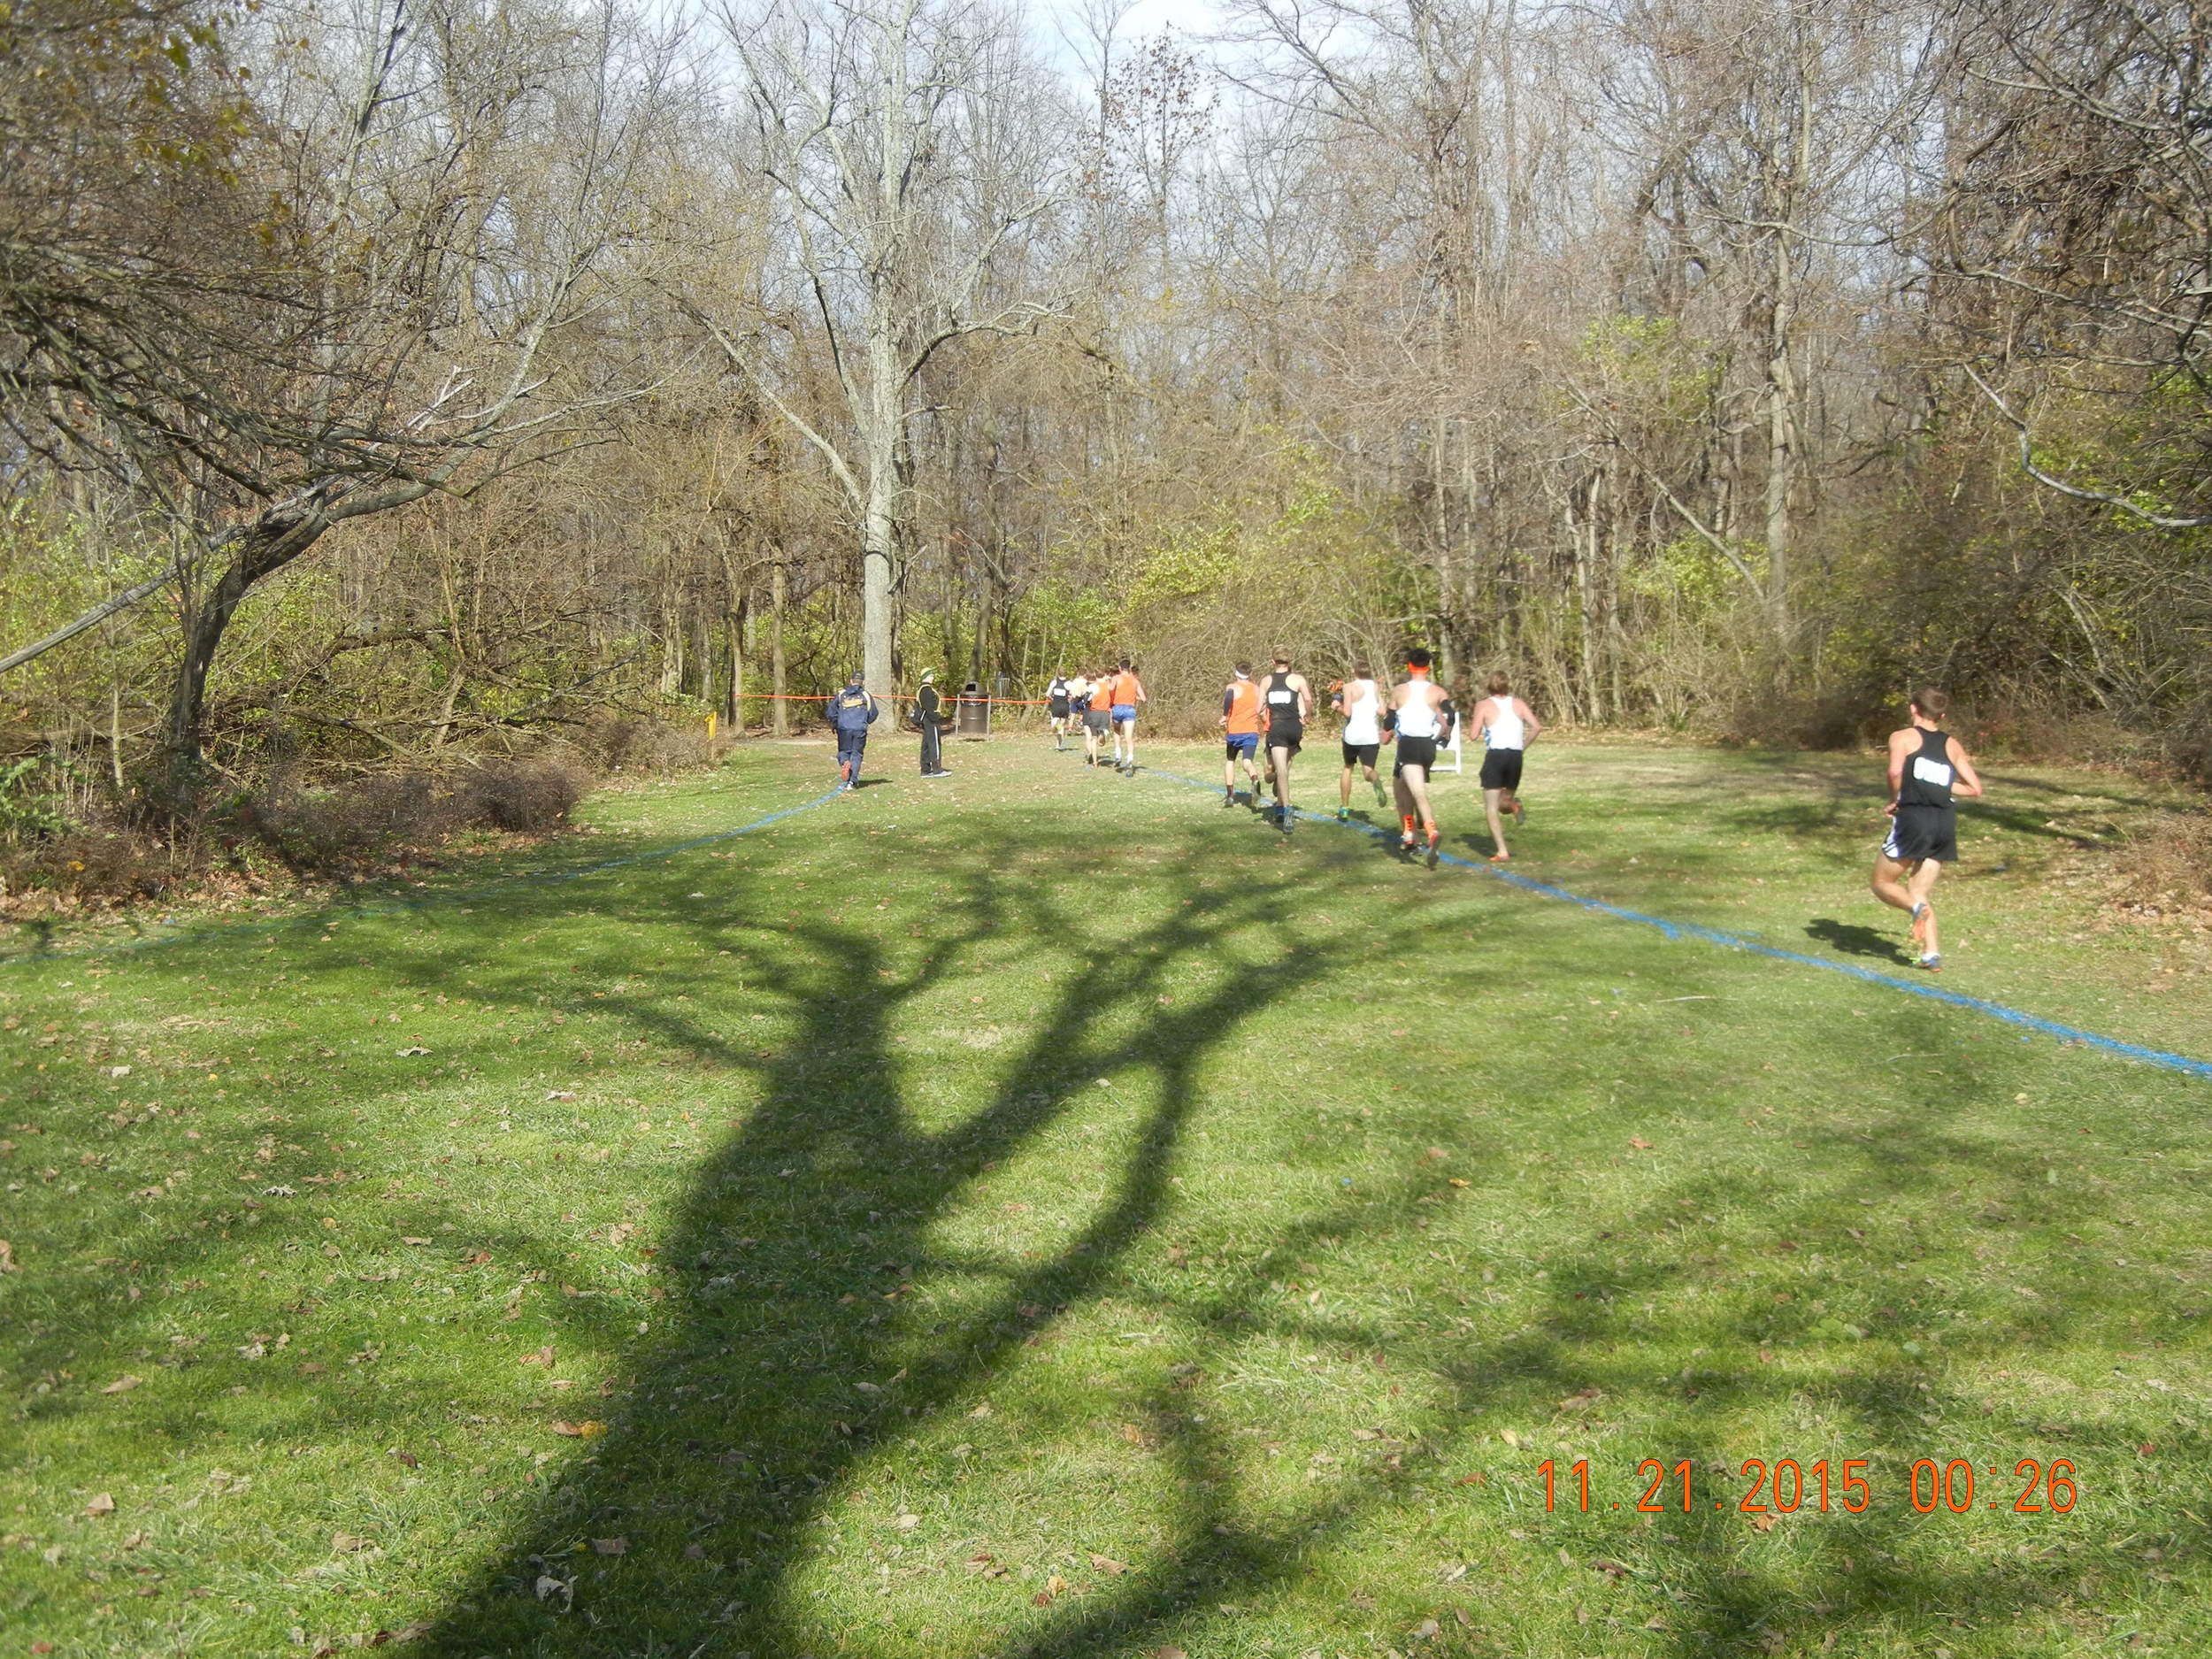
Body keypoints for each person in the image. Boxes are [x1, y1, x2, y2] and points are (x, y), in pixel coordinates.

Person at [1872, 686, 1983, 971]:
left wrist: (1893, 799)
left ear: (1912, 709)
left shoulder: (1902, 737)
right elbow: (1974, 789)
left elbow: (1895, 771)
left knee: (1883, 883)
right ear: (1941, 715)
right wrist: (1938, 782)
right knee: (1919, 890)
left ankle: (1915, 910)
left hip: (1915, 820)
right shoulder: (1953, 745)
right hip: (1945, 824)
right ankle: (1931, 955)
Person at [1386, 648, 1454, 864]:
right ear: (1428, 666)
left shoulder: (1399, 690)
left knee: (1416, 792)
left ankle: (1430, 830)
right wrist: (1446, 734)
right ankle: (1409, 834)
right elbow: (1450, 714)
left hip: (1409, 745)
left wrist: (1385, 735)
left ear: (1409, 665)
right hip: (1427, 746)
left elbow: (1388, 721)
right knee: (1399, 787)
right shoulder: (1438, 691)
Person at [1471, 672, 1541, 862]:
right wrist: (1522, 747)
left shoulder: (1483, 705)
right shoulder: (1518, 704)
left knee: (1492, 807)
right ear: (1507, 686)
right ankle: (1514, 805)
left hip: (1496, 756)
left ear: (1488, 687)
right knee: (1504, 805)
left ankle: (1502, 851)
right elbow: (1536, 727)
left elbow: (1472, 734)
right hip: (1515, 757)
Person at [1259, 650, 1312, 832]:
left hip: (1278, 727)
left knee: (1280, 770)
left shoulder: (1267, 681)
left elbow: (1258, 708)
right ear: (1290, 661)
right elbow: (1308, 699)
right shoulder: (1298, 679)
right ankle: (1280, 807)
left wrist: (1263, 717)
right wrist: (1308, 716)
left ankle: (1287, 810)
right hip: (1295, 728)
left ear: (1272, 661)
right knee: (1285, 769)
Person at [1333, 663, 1388, 820]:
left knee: (1348, 768)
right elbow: (1382, 711)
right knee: (1368, 770)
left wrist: (1337, 707)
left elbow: (1347, 712)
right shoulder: (1375, 687)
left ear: (1354, 671)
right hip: (1370, 735)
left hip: (1352, 735)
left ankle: (1344, 808)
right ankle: (1375, 780)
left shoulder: (1349, 686)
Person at [1219, 663, 1267, 806]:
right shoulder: (1257, 689)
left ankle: (1230, 795)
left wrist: (1224, 716)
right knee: (1247, 761)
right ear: (1250, 673)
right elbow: (1263, 709)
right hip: (1251, 731)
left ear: (1236, 673)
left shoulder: (1232, 687)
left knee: (1230, 760)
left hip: (1235, 731)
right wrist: (1265, 723)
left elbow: (1228, 700)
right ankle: (1254, 779)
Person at [824, 673, 879, 792]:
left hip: (844, 729)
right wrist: (865, 722)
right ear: (862, 682)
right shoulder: (866, 695)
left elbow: (831, 712)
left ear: (851, 681)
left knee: (843, 752)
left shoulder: (841, 694)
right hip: (859, 729)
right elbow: (874, 713)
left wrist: (835, 723)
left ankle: (845, 762)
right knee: (857, 754)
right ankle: (852, 781)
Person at [1108, 657, 1147, 773]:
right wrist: (1133, 696)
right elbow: (1143, 698)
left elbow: (1110, 689)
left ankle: (1118, 754)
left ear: (1120, 668)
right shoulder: (1135, 681)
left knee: (1116, 731)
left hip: (1118, 707)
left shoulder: (1116, 678)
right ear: (1129, 668)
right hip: (1130, 709)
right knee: (1128, 736)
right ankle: (1130, 759)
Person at [916, 670, 951, 779]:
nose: (933, 677)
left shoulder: (923, 689)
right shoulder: (926, 689)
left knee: (926, 744)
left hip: (927, 720)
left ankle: (925, 770)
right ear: (925, 677)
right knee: (934, 744)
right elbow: (929, 707)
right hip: (931, 720)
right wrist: (935, 718)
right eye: (930, 675)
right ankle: (936, 769)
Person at [1083, 667, 1114, 768]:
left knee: (1093, 738)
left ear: (1095, 675)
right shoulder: (1108, 686)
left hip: (1094, 712)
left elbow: (1086, 699)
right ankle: (1103, 734)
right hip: (1105, 712)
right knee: (1101, 739)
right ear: (1104, 674)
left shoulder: (1093, 686)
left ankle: (1095, 763)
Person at [1046, 670, 1074, 749]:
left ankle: (1055, 725)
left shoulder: (1054, 682)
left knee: (1056, 723)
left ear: (1058, 674)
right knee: (1061, 726)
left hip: (1056, 705)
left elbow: (1047, 694)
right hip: (1065, 706)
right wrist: (1070, 698)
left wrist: (1051, 698)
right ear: (1066, 674)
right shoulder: (1069, 683)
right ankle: (1058, 745)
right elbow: (1073, 695)